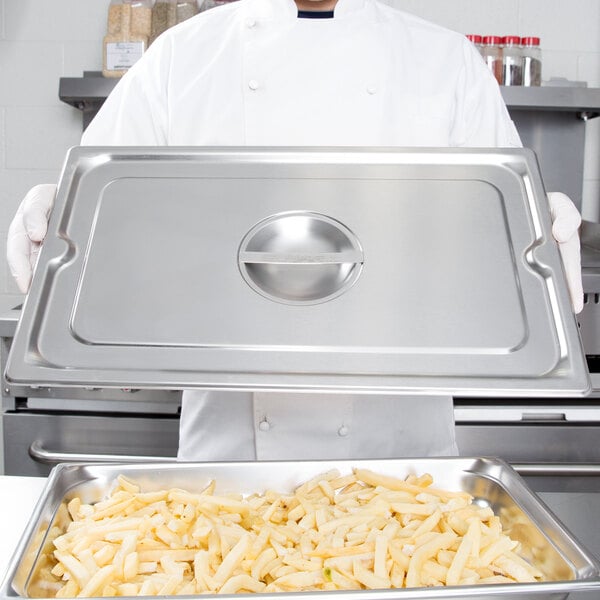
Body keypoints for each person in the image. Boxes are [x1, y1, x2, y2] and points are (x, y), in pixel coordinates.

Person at [7, 0, 583, 461]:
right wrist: (62, 209)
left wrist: (535, 228)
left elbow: (498, 248)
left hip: (402, 466)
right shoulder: (181, 59)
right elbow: (108, 223)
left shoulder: (446, 63)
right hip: (228, 466)